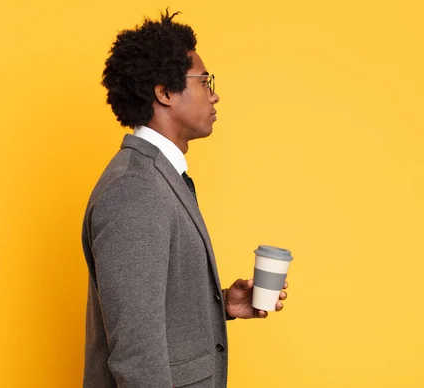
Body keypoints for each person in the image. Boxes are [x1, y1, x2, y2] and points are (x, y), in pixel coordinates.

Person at [81, 10, 288, 387]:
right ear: (164, 92)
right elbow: (136, 354)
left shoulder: (158, 178)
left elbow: (148, 307)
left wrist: (218, 304)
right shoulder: (134, 191)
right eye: (204, 81)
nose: (215, 94)